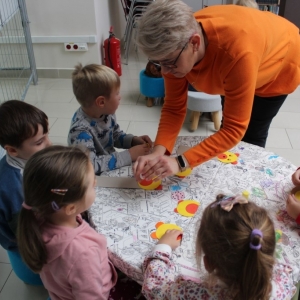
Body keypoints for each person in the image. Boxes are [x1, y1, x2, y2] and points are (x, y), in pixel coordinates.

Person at [133, 0, 300, 182]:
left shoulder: (236, 54)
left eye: (169, 63)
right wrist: (159, 151)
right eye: (158, 63)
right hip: (242, 55)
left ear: (195, 43)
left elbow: (234, 128)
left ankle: (247, 187)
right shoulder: (176, 45)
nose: (164, 72)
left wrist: (181, 162)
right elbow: (173, 108)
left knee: (252, 135)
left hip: (280, 63)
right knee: (227, 129)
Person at [17, 145, 145, 300]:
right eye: (92, 184)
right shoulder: (83, 253)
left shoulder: (40, 216)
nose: (96, 184)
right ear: (71, 208)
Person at [142, 194, 296, 299]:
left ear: (208, 263)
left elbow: (154, 289)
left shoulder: (191, 293)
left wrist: (163, 247)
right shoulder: (284, 277)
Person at [68, 63, 152, 175]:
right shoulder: (80, 131)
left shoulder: (106, 113)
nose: (120, 97)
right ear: (101, 102)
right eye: (117, 93)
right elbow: (90, 166)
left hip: (109, 166)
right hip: (94, 178)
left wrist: (132, 141)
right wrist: (129, 155)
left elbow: (115, 135)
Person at [0, 100, 51, 285]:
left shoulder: (30, 159)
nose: (49, 144)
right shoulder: (12, 188)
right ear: (12, 150)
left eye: (47, 135)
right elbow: (26, 237)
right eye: (39, 142)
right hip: (25, 245)